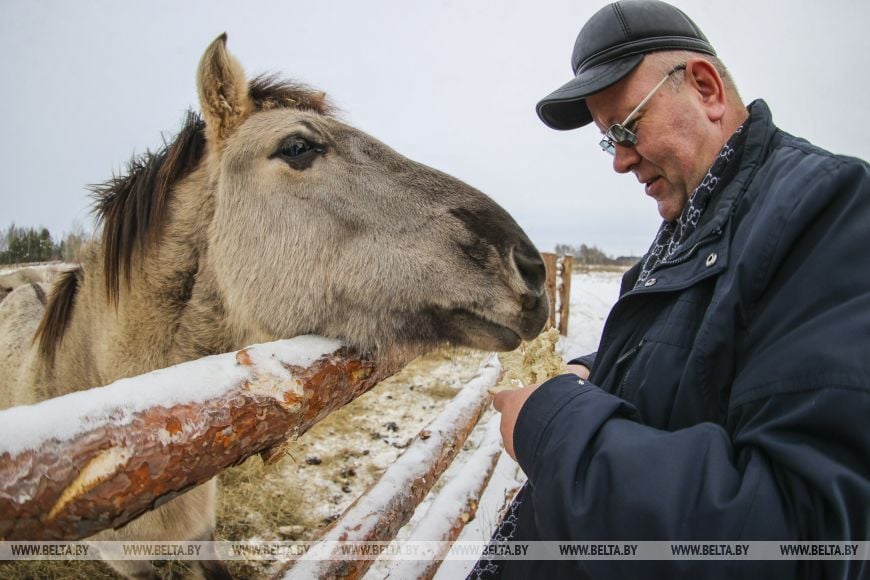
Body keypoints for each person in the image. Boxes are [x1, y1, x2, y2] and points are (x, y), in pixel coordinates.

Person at [474, 1, 870, 578]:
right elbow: (688, 364)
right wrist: (592, 373)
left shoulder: (826, 211)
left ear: (706, 89)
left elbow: (802, 539)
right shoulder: (688, 228)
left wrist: (555, 425)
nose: (620, 161)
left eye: (627, 128)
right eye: (608, 141)